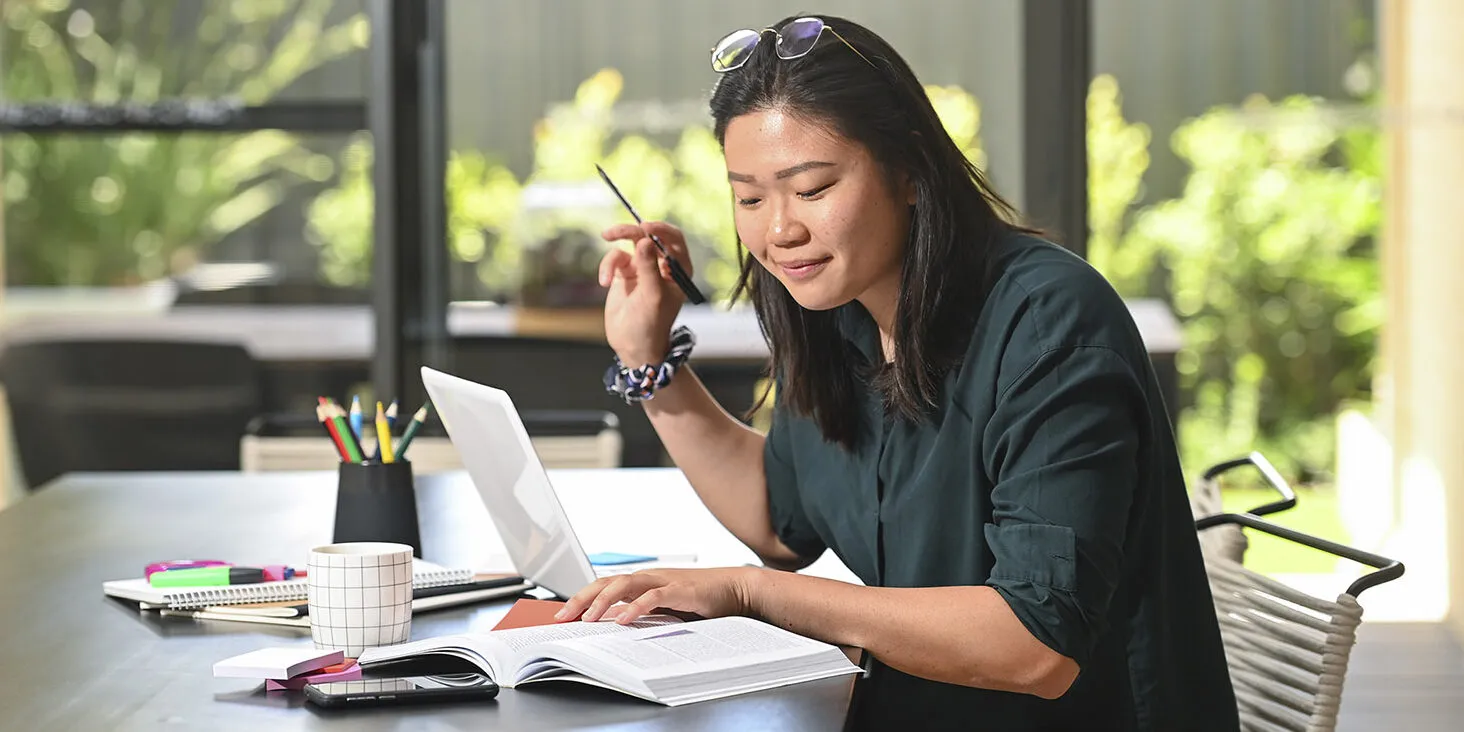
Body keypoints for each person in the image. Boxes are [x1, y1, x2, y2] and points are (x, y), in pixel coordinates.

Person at [560, 14, 1238, 731]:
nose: (779, 230)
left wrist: (752, 594)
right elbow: (779, 517)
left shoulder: (1048, 325)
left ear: (910, 171)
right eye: (750, 198)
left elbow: (1036, 644)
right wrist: (648, 359)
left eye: (812, 188)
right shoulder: (836, 308)